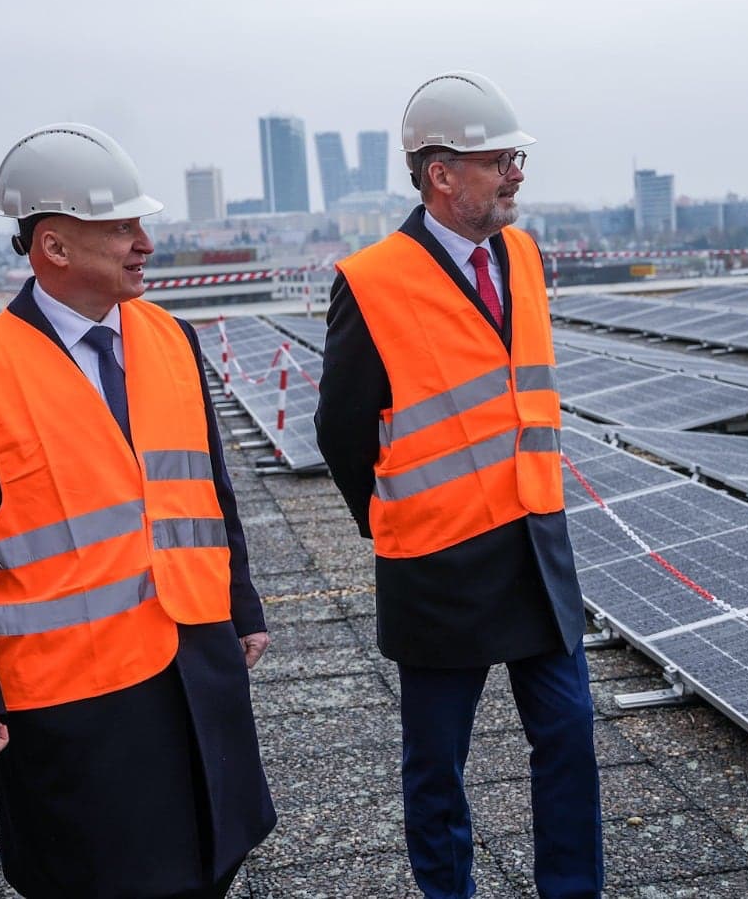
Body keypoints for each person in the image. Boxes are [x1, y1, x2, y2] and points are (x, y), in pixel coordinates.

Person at [0, 123, 275, 899]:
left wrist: (241, 605)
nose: (144, 243)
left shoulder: (171, 339)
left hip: (197, 656)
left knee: (215, 850)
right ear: (54, 246)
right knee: (101, 872)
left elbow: (211, 490)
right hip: (74, 693)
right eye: (121, 228)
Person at [318, 72, 603, 899]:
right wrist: (392, 520)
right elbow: (340, 430)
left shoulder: (523, 254)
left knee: (570, 735)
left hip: (536, 543)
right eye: (498, 161)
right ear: (440, 175)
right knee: (438, 761)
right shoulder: (371, 280)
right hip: (438, 561)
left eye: (516, 159)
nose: (516, 174)